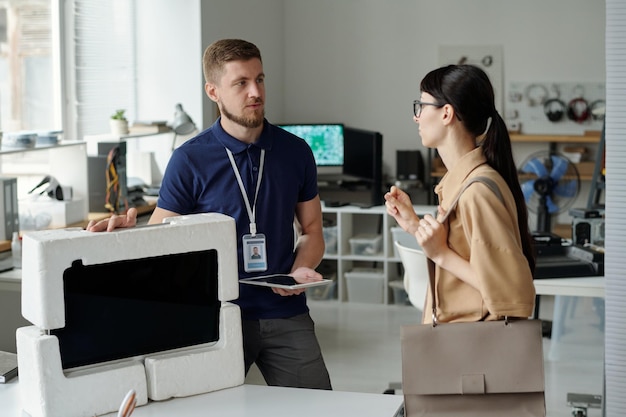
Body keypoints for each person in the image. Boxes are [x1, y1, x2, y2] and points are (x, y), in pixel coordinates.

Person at [87, 39, 332, 390]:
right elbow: (158, 242)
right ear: (213, 91)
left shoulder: (295, 151)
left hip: (284, 312)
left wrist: (298, 271)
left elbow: (311, 229)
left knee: (320, 408)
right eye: (241, 83)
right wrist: (125, 237)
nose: (255, 92)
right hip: (216, 317)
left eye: (259, 79)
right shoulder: (189, 159)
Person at [385, 64, 536, 323]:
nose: (416, 116)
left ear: (446, 113)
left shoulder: (476, 192)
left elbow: (510, 291)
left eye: (421, 106)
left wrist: (440, 253)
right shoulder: (463, 184)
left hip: (474, 350)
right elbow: (468, 251)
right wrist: (415, 227)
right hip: (465, 345)